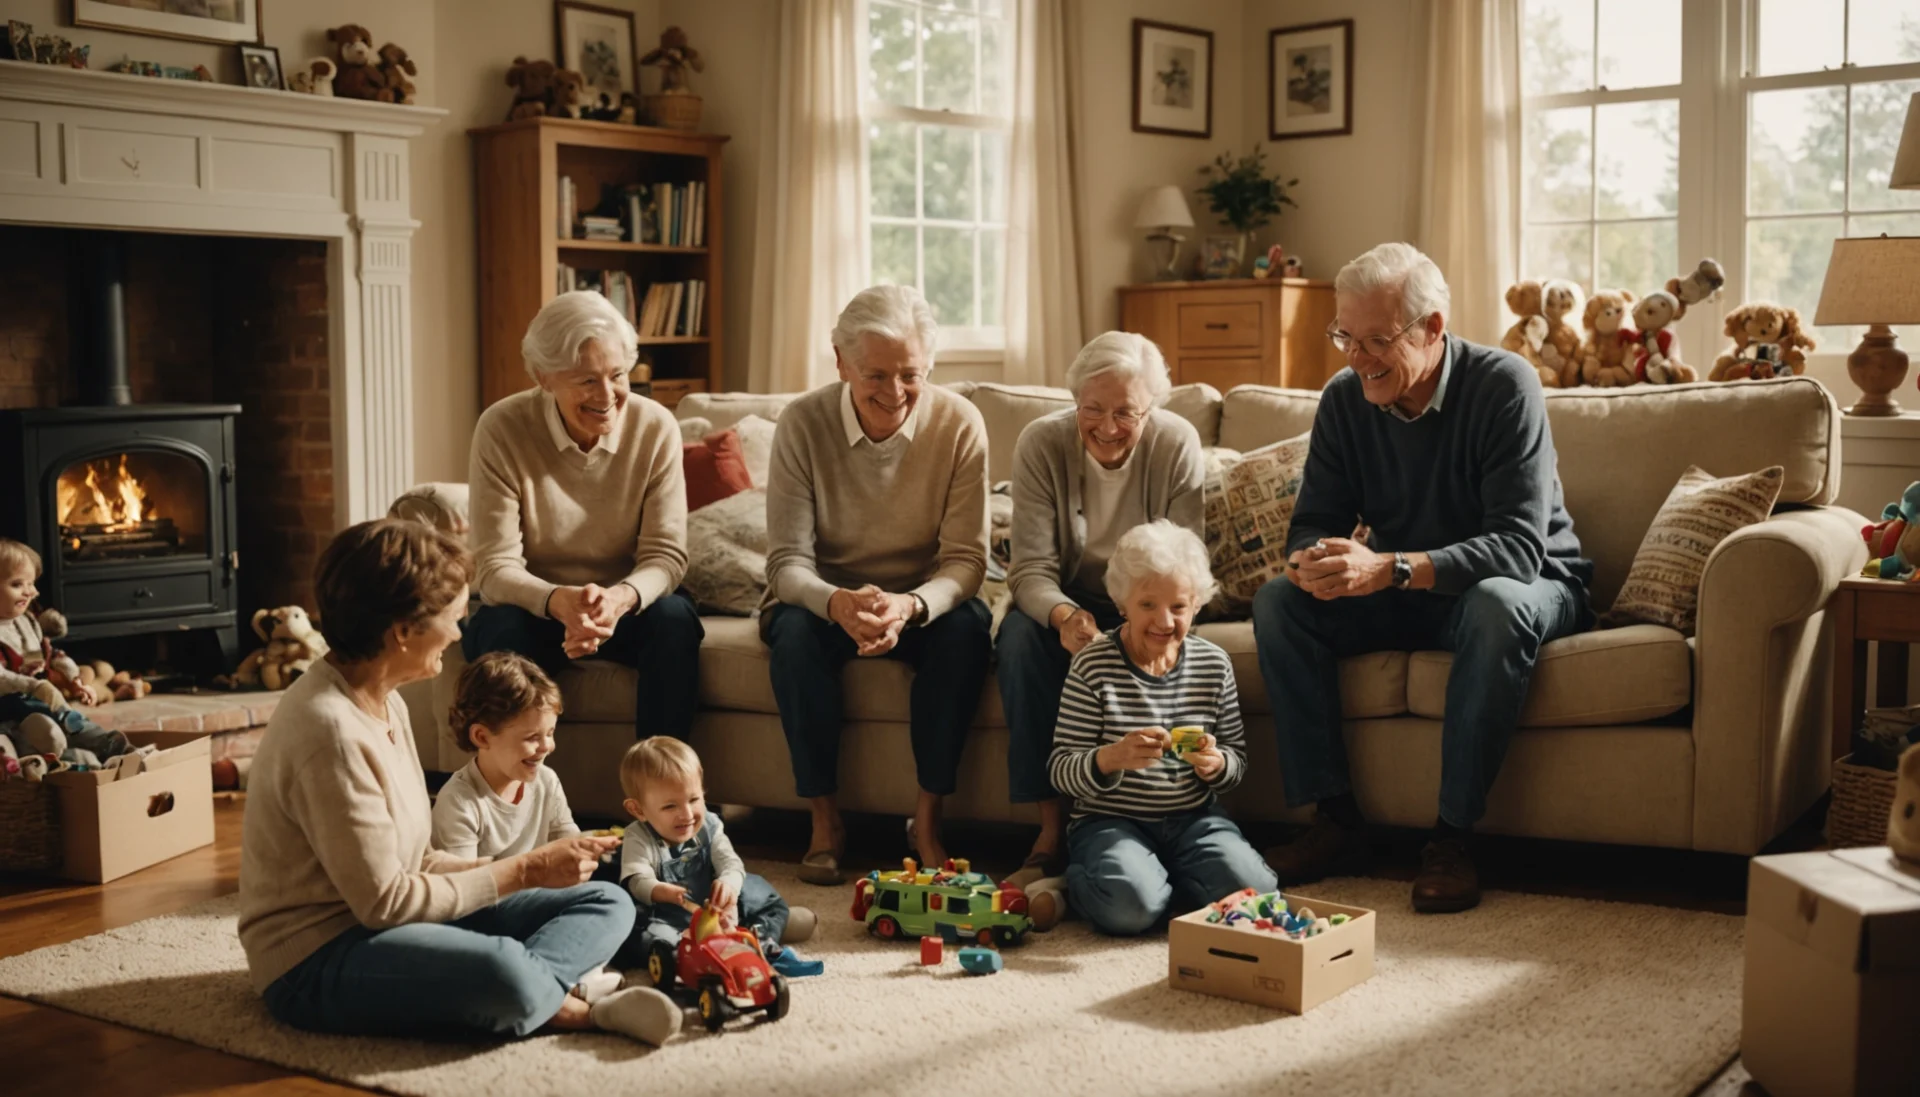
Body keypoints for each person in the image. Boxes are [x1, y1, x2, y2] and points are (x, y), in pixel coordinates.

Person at [238, 518, 676, 1044]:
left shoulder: (385, 700)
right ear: (402, 629)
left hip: (395, 921)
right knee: (503, 972)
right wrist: (523, 870)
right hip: (318, 955)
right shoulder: (329, 730)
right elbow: (386, 904)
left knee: (608, 901)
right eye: (451, 617)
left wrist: (534, 871)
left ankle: (533, 987)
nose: (459, 630)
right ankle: (571, 1006)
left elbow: (417, 863)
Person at [1253, 242, 1594, 914]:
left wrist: (1390, 567)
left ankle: (1453, 838)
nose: (1357, 357)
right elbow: (1312, 520)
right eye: (1345, 336)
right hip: (1403, 586)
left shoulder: (1505, 384)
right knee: (1279, 602)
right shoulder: (1345, 400)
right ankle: (1337, 822)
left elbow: (1518, 548)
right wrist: (1315, 563)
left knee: (1498, 603)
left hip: (1529, 584)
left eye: (1376, 339)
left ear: (1433, 327)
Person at [761, 284, 992, 884]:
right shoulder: (803, 423)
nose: (895, 393)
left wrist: (911, 606)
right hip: (824, 597)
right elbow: (786, 563)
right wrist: (835, 602)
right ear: (840, 362)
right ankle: (824, 822)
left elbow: (967, 562)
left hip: (920, 599)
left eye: (910, 374)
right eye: (876, 374)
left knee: (967, 631)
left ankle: (926, 822)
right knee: (791, 636)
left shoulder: (960, 424)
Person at [998, 332, 1204, 889]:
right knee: (1018, 640)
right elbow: (1030, 569)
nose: (1108, 427)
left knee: (1162, 639)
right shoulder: (1041, 443)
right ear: (1074, 401)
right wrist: (1065, 617)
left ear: (1151, 408)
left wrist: (1135, 624)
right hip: (1067, 596)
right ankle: (1049, 828)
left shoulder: (1176, 443)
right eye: (1093, 409)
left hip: (1148, 598)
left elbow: (1185, 561)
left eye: (1125, 413)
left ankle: (1146, 823)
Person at [464, 290, 703, 740]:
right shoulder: (501, 428)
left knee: (674, 620)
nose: (607, 395)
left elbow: (666, 556)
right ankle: (516, 797)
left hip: (625, 606)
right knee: (501, 631)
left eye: (617, 375)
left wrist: (618, 600)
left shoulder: (655, 428)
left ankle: (659, 797)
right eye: (586, 381)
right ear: (543, 377)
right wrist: (559, 602)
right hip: (533, 606)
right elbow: (494, 568)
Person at [1043, 520, 1275, 936]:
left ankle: (1156, 883)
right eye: (1148, 605)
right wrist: (1110, 758)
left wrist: (1216, 763)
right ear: (1122, 604)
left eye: (1178, 607)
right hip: (1110, 821)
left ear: (1197, 605)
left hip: (1194, 818)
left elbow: (1237, 763)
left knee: (1258, 894)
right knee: (1130, 909)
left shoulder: (1213, 664)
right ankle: (1075, 886)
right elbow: (1060, 769)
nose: (1164, 621)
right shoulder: (1093, 665)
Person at [613, 736, 819, 979]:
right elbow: (637, 880)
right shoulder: (637, 837)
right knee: (644, 937)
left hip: (715, 909)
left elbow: (730, 863)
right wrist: (659, 890)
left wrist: (729, 885)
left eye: (694, 799)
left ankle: (761, 940)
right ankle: (692, 962)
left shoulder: (710, 824)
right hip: (667, 918)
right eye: (670, 807)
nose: (687, 814)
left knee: (760, 892)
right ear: (638, 810)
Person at [0, 538, 132, 767]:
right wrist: (34, 686)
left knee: (70, 724)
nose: (29, 592)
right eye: (17, 584)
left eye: (30, 584)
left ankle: (113, 751)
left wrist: (74, 679)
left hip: (38, 703)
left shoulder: (25, 623)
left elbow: (48, 655)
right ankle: (75, 763)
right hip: (10, 712)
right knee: (48, 735)